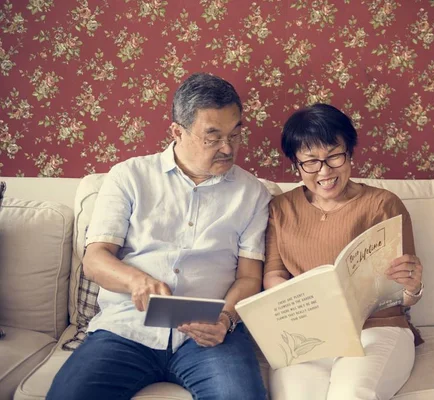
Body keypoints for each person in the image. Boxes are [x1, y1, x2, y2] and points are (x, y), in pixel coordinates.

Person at [47, 73, 271, 400]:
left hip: (211, 334)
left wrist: (224, 318)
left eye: (235, 134)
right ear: (177, 131)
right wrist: (136, 281)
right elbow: (95, 259)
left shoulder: (253, 193)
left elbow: (250, 277)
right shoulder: (129, 177)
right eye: (213, 136)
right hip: (125, 330)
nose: (228, 147)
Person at [263, 103, 424, 400]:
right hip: (309, 335)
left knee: (349, 395)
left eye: (334, 156)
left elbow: (401, 290)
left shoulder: (383, 204)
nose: (324, 171)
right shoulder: (280, 209)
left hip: (377, 328)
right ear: (296, 165)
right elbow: (273, 274)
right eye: (310, 162)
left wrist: (413, 288)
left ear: (349, 153)